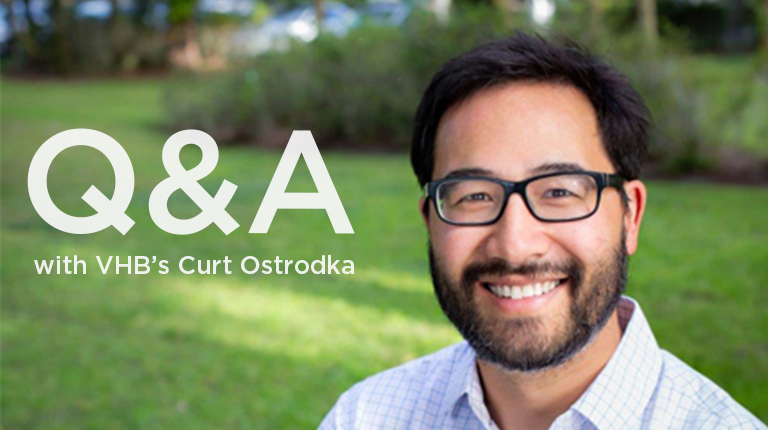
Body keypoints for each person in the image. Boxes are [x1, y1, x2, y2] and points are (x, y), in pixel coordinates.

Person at [318, 32, 767, 430]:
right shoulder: (364, 417)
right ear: (430, 222)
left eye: (559, 192)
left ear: (631, 215)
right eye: (474, 196)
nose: (514, 244)